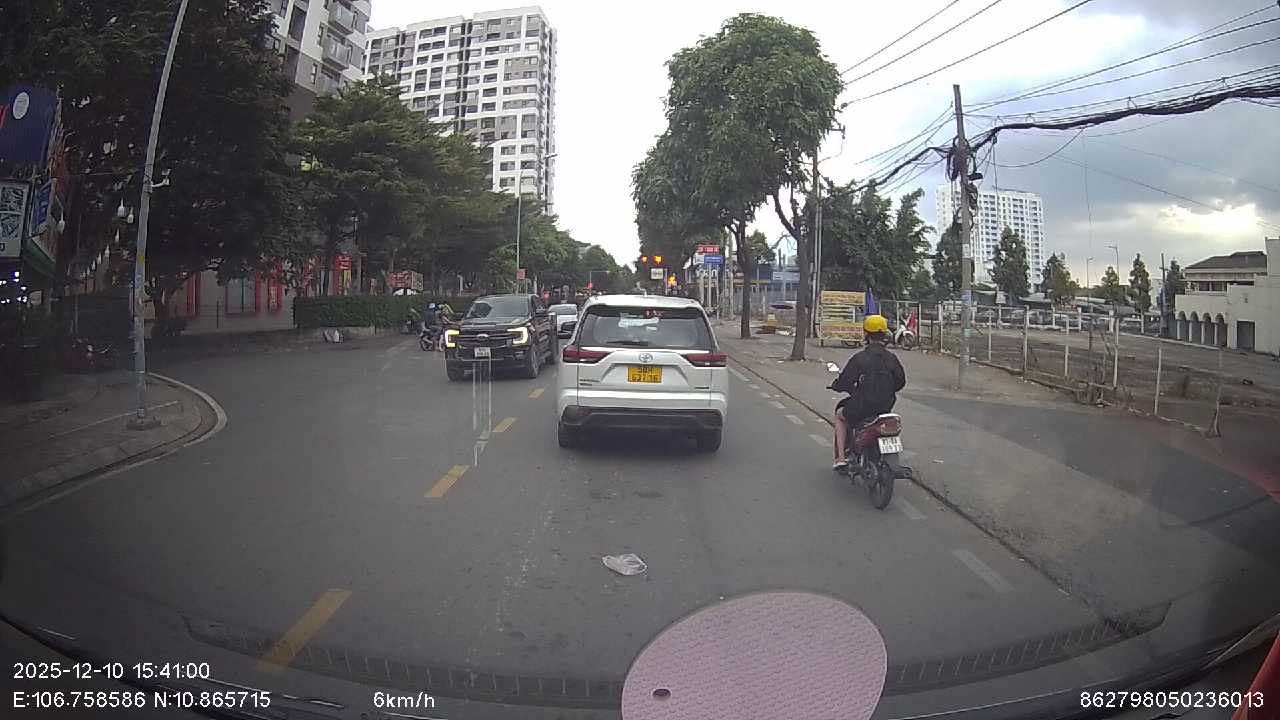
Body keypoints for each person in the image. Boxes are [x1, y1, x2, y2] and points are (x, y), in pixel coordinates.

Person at [828, 314, 906, 470]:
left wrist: (837, 385)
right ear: (884, 334)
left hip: (861, 408)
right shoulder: (892, 358)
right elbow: (900, 382)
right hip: (885, 408)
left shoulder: (859, 358)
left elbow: (845, 381)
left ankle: (841, 459)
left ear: (866, 334)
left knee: (840, 415)